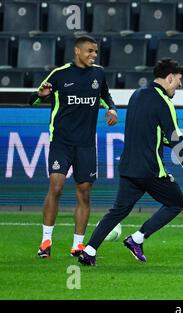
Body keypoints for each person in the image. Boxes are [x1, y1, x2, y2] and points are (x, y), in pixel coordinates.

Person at [78, 59, 183, 266]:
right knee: (175, 203)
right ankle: (136, 239)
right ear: (170, 77)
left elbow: (149, 132)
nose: (180, 85)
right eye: (179, 80)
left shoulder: (136, 95)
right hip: (149, 170)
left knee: (118, 211)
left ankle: (89, 251)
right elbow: (175, 139)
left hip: (128, 167)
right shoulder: (164, 102)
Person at [29, 35, 118, 258]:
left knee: (84, 192)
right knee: (56, 187)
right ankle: (45, 242)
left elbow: (105, 94)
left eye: (95, 51)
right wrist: (39, 96)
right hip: (61, 141)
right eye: (90, 51)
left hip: (86, 144)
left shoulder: (99, 73)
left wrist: (112, 109)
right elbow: (34, 98)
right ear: (77, 51)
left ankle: (77, 245)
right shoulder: (59, 74)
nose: (94, 55)